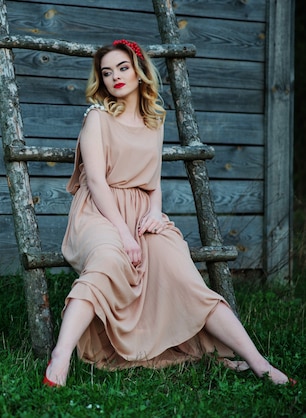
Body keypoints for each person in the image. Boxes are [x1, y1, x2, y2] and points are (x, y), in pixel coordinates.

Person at [43, 39, 295, 387]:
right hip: (100, 213)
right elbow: (98, 183)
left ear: (139, 70)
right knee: (107, 260)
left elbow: (153, 182)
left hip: (141, 213)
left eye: (122, 67)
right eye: (106, 72)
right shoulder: (97, 118)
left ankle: (258, 363)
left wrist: (156, 214)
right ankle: (60, 357)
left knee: (181, 273)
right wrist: (124, 233)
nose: (114, 76)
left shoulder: (154, 121)